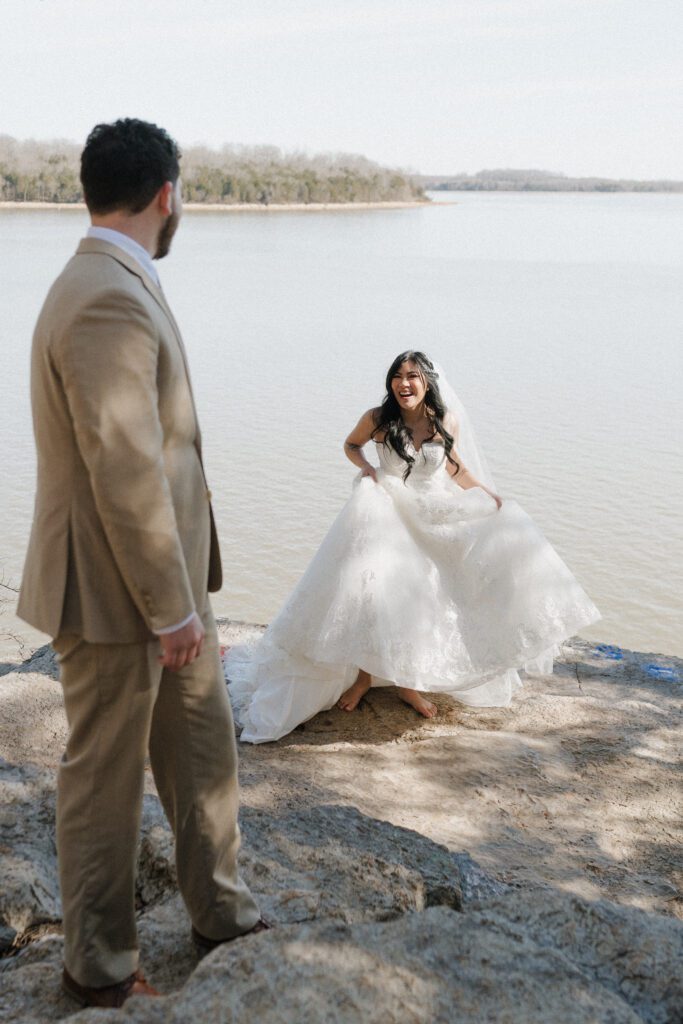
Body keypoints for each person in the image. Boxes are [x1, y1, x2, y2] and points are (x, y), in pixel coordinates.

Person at [17, 118, 265, 1009]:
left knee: (202, 749)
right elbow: (123, 463)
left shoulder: (112, 279)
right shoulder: (103, 294)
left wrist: (184, 598)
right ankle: (99, 970)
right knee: (105, 778)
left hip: (165, 584)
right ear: (168, 194)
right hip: (120, 590)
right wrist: (171, 609)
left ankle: (223, 913)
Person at [225, 351, 600, 743]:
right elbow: (351, 445)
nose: (404, 384)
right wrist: (367, 470)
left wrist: (490, 497)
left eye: (413, 376)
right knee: (373, 592)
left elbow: (455, 469)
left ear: (426, 383)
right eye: (397, 377)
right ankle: (364, 677)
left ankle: (407, 682)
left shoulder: (444, 420)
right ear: (390, 383)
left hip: (431, 511)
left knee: (425, 596)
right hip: (385, 508)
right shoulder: (376, 419)